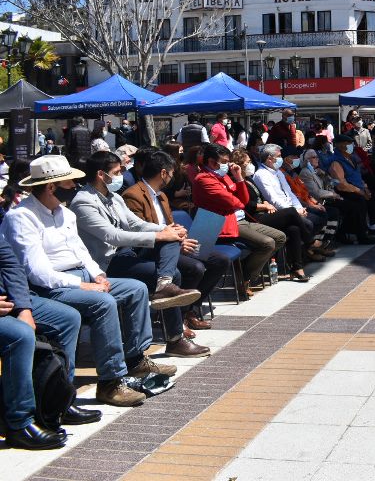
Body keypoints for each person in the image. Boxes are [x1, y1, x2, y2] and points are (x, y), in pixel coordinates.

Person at [0, 155, 174, 407]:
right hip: (49, 287)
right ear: (51, 187)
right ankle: (110, 382)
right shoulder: (22, 217)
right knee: (102, 303)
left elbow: (81, 252)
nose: (76, 188)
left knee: (135, 289)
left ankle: (135, 360)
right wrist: (84, 285)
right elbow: (37, 272)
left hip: (82, 276)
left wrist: (98, 275)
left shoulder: (65, 213)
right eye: (70, 183)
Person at [71, 151, 207, 358]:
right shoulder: (84, 202)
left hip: (124, 256)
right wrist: (158, 236)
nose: (121, 175)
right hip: (103, 264)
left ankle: (165, 291)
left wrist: (165, 230)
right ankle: (174, 335)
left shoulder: (114, 197)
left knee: (171, 243)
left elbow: (134, 224)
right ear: (101, 174)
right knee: (171, 258)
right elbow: (112, 235)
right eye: (117, 172)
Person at [0, 238, 101, 449]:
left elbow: (10, 263)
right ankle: (20, 424)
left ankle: (58, 403)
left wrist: (23, 308)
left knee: (68, 319)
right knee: (19, 335)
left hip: (10, 299)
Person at [123, 150, 229, 334]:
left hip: (173, 244)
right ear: (163, 173)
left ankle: (191, 310)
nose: (172, 178)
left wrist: (182, 235)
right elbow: (141, 231)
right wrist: (179, 242)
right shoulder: (133, 195)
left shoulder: (161, 196)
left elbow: (169, 224)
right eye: (171, 173)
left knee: (220, 260)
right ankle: (178, 318)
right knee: (195, 268)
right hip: (152, 248)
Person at [192, 143, 283, 298]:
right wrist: (237, 200)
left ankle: (247, 272)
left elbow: (244, 200)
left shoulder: (225, 176)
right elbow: (234, 202)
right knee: (267, 243)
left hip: (238, 219)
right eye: (224, 162)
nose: (228, 165)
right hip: (219, 224)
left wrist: (239, 177)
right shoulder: (203, 179)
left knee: (280, 237)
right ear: (212, 162)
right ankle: (245, 280)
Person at [229, 148, 321, 282]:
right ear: (240, 165)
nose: (251, 165)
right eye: (247, 163)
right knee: (291, 212)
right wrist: (264, 205)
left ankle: (297, 269)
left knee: (294, 229)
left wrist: (266, 203)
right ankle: (310, 241)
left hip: (266, 212)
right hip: (255, 217)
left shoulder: (249, 178)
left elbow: (260, 195)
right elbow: (246, 203)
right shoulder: (237, 181)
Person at [328, 135, 375, 245]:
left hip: (357, 188)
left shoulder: (351, 158)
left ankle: (373, 226)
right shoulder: (336, 162)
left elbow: (357, 176)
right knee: (359, 202)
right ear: (340, 145)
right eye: (348, 143)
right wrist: (359, 191)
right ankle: (361, 235)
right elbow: (341, 184)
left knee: (373, 196)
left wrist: (364, 188)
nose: (351, 146)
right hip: (344, 192)